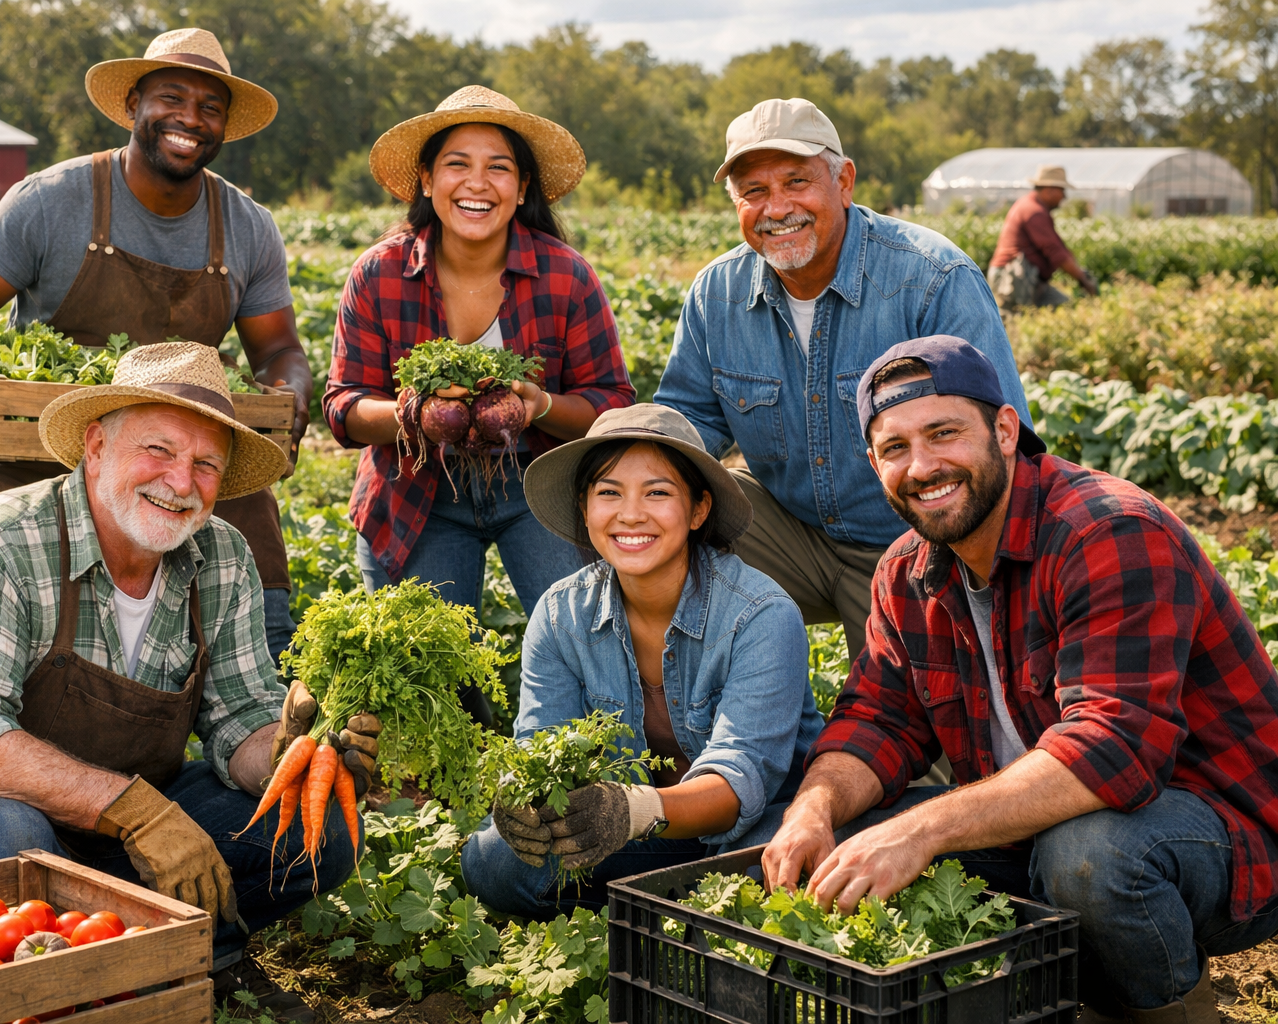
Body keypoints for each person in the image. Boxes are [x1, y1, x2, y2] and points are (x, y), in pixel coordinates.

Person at [756, 335, 1278, 1022]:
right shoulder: (905, 572)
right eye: (895, 448)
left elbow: (1113, 750)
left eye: (944, 434)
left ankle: (1167, 1010)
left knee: (1089, 856)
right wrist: (813, 810)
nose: (923, 465)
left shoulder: (1108, 532)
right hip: (1033, 832)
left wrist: (922, 830)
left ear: (1005, 431)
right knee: (839, 840)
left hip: (1220, 838)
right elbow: (877, 722)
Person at [0, 344, 382, 1009]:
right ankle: (91, 969)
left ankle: (182, 954)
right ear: (96, 446)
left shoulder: (221, 556)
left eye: (205, 464)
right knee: (10, 842)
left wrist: (288, 756)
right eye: (158, 451)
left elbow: (241, 718)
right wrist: (138, 813)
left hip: (113, 828)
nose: (180, 482)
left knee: (315, 830)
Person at [0, 27, 308, 660]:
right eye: (171, 98)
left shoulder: (248, 227)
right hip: (38, 455)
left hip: (184, 465)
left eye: (210, 108)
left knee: (267, 631)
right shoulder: (51, 202)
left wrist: (292, 390)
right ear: (132, 106)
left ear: (225, 126)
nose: (190, 119)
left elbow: (278, 348)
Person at [654, 97, 1031, 661]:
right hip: (791, 536)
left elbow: (1004, 446)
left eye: (797, 182)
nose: (777, 207)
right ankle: (713, 722)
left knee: (922, 738)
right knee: (653, 523)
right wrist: (617, 479)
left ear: (844, 181)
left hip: (916, 544)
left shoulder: (930, 278)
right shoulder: (718, 293)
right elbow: (688, 423)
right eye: (754, 191)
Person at [323, 85, 635, 722]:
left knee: (587, 643)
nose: (478, 182)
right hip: (417, 489)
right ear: (427, 179)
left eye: (499, 167)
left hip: (537, 483)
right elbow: (344, 405)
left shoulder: (564, 274)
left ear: (522, 188)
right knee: (433, 683)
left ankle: (596, 771)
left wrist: (538, 405)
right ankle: (452, 803)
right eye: (458, 163)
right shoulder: (379, 273)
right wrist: (415, 413)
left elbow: (611, 402)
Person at [460, 404, 823, 918]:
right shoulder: (562, 614)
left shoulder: (761, 614)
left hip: (758, 821)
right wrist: (522, 796)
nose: (630, 514)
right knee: (494, 862)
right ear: (585, 509)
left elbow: (742, 781)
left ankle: (652, 911)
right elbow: (540, 744)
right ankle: (658, 909)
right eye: (609, 492)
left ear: (698, 510)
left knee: (768, 870)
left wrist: (637, 808)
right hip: (637, 834)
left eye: (657, 492)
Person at [987, 164, 1099, 310]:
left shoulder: (1031, 206)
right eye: (1062, 190)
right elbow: (1056, 252)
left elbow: (1059, 249)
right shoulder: (1034, 212)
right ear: (1049, 190)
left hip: (1021, 276)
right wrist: (1083, 280)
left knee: (1061, 308)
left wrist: (1079, 272)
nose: (1064, 197)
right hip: (1011, 277)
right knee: (1020, 318)